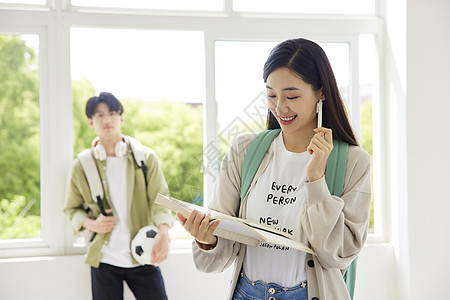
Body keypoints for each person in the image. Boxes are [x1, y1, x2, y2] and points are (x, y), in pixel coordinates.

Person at [177, 38, 372, 300]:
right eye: (271, 95)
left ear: (321, 92)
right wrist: (207, 239)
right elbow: (218, 254)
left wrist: (315, 179)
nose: (280, 107)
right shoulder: (244, 151)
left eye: (292, 96)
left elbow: (337, 255)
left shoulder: (353, 162)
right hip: (247, 293)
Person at [63, 92, 173, 300]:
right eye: (99, 115)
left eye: (112, 113)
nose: (106, 120)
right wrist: (91, 224)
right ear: (90, 121)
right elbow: (71, 208)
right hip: (104, 261)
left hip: (143, 255)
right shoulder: (82, 165)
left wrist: (164, 232)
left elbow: (161, 199)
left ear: (121, 118)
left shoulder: (145, 158)